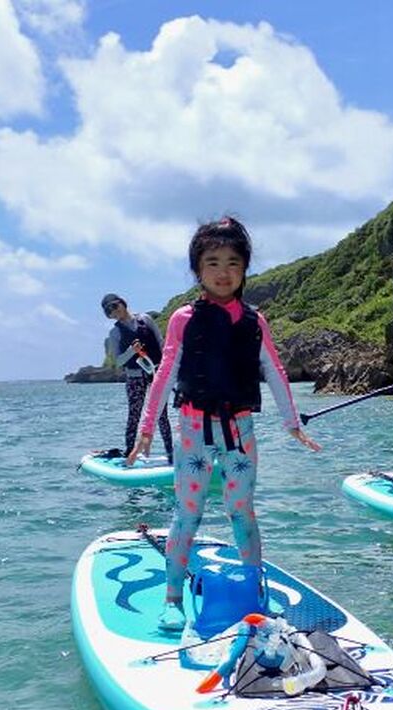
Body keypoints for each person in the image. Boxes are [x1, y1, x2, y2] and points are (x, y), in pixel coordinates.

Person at [127, 216, 321, 631]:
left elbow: (275, 370)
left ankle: (253, 591)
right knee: (187, 514)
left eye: (233, 262)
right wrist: (146, 429)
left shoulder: (254, 321)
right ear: (198, 269)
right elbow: (164, 373)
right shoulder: (183, 319)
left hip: (240, 431)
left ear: (245, 268)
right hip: (194, 432)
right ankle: (173, 598)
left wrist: (292, 423)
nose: (223, 271)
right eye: (212, 262)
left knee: (242, 512)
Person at [102, 293, 173, 463]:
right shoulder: (115, 333)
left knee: (161, 414)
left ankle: (171, 452)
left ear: (122, 303)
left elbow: (161, 342)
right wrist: (131, 352)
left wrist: (167, 366)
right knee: (134, 414)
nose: (114, 312)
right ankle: (129, 452)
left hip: (155, 373)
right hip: (134, 377)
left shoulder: (145, 319)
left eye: (115, 306)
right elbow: (119, 361)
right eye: (109, 311)